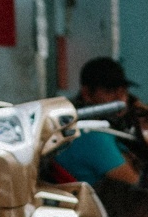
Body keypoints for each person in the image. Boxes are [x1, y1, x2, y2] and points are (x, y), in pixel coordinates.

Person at [52, 56, 141, 189]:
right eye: (109, 91)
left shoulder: (107, 127)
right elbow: (135, 182)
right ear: (87, 94)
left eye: (123, 92)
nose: (120, 99)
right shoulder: (90, 133)